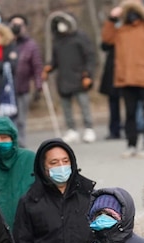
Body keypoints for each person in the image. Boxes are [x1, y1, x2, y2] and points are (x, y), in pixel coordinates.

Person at [101, 1, 144, 158]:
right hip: (126, 78)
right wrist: (111, 18)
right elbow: (106, 40)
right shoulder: (121, 30)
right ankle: (131, 144)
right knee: (129, 114)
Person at [44, 11, 97, 144]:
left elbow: (90, 57)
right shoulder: (57, 41)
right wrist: (49, 68)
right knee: (66, 107)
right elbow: (55, 61)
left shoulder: (80, 37)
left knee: (84, 105)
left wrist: (88, 75)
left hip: (79, 77)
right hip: (63, 79)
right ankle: (71, 130)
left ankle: (89, 128)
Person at [7, 15, 43, 148]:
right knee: (9, 119)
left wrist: (38, 86)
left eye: (19, 25)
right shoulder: (7, 43)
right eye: (13, 25)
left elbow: (37, 65)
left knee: (21, 119)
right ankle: (9, 143)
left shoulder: (30, 45)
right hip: (7, 89)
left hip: (23, 88)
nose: (16, 28)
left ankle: (20, 144)